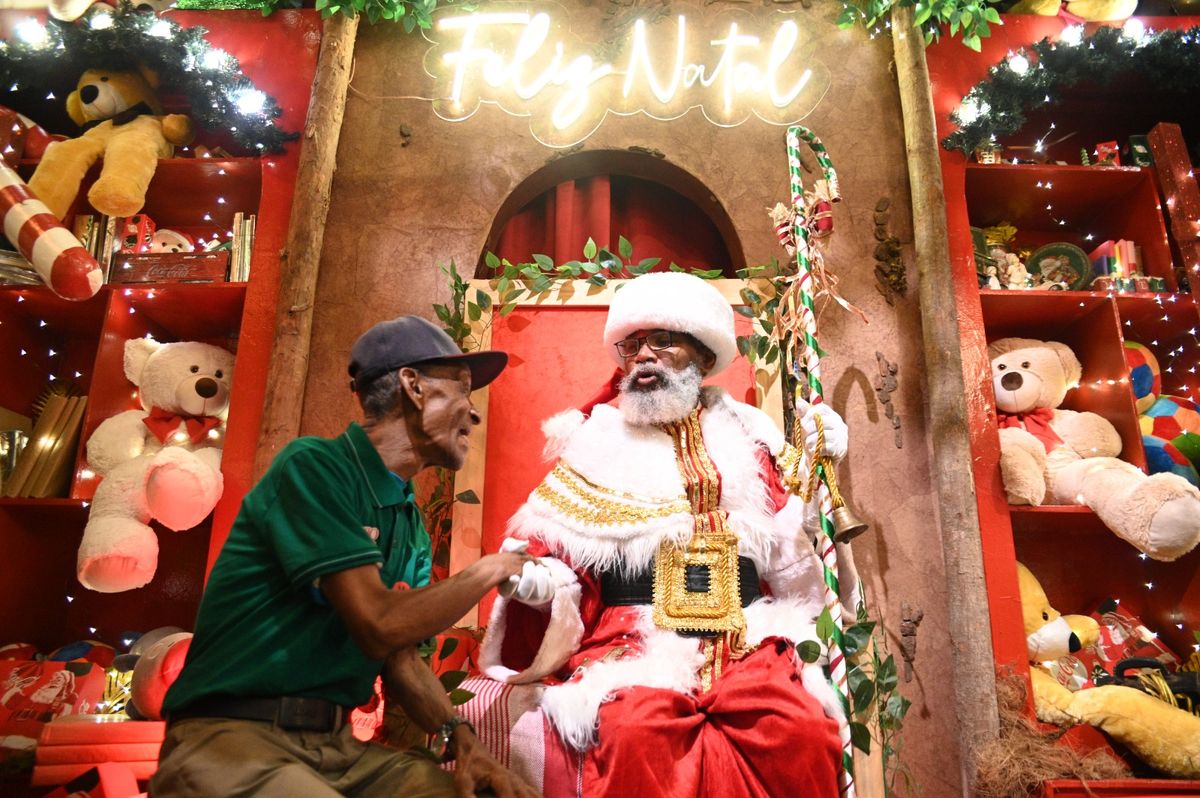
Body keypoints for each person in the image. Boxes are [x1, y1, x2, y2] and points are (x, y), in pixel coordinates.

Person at [477, 272, 861, 798]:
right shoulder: (595, 441)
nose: (643, 357)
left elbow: (792, 543)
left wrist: (819, 467)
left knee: (797, 729)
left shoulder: (747, 432)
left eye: (663, 341)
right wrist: (535, 584)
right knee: (637, 731)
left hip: (745, 635)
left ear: (701, 356)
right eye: (632, 345)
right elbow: (558, 559)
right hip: (632, 637)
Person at [152, 316, 540, 798]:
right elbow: (378, 623)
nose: (473, 413)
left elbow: (399, 657)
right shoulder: (315, 467)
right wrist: (492, 568)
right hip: (232, 739)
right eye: (462, 388)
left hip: (336, 750)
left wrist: (465, 744)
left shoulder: (409, 524)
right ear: (413, 387)